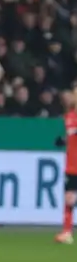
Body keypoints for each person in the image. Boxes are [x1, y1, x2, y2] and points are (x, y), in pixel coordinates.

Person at [56, 89, 77, 244]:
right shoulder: (69, 117)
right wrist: (63, 141)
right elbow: (70, 137)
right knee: (69, 198)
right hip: (71, 165)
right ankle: (67, 231)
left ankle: (67, 231)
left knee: (70, 198)